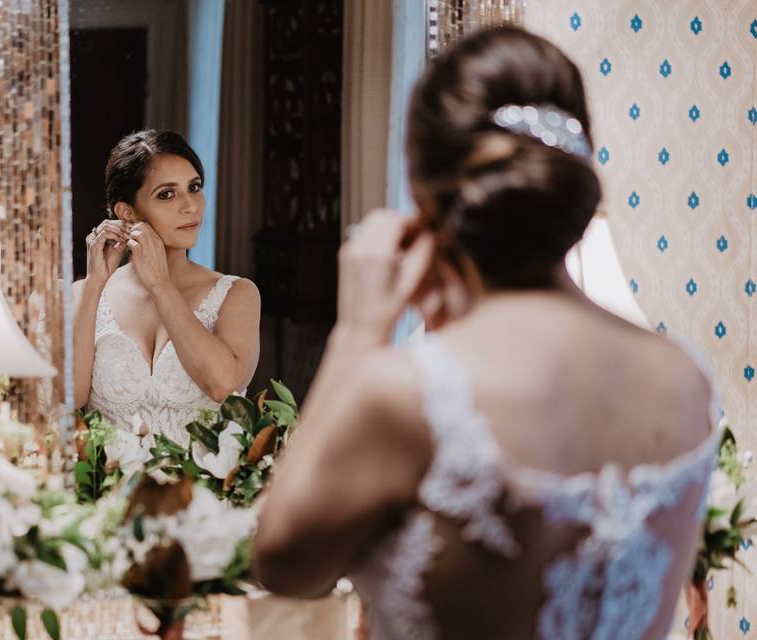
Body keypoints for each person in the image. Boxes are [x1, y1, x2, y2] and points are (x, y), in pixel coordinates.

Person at [254, 26, 718, 639]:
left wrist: (360, 331)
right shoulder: (685, 379)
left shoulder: (410, 393)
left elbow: (283, 566)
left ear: (424, 198)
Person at [72, 130, 261, 446]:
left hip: (200, 492)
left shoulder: (237, 294)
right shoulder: (86, 293)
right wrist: (94, 286)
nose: (190, 206)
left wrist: (160, 285)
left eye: (194, 187)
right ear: (127, 213)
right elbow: (70, 397)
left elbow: (222, 386)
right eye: (167, 194)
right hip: (107, 491)